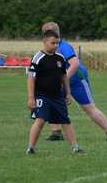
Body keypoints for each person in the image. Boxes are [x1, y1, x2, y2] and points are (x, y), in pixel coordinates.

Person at [43, 22, 107, 141]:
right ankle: (56, 132)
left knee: (89, 108)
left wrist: (64, 80)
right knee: (53, 103)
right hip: (62, 81)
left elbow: (75, 64)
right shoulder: (48, 48)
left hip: (77, 79)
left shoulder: (64, 46)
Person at [27, 24, 83, 154]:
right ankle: (31, 147)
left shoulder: (60, 58)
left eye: (57, 43)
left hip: (57, 96)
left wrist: (68, 93)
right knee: (40, 121)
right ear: (45, 42)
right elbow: (31, 78)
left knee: (66, 120)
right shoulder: (38, 58)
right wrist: (31, 97)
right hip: (42, 96)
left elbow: (64, 76)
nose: (56, 45)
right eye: (53, 43)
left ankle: (75, 147)